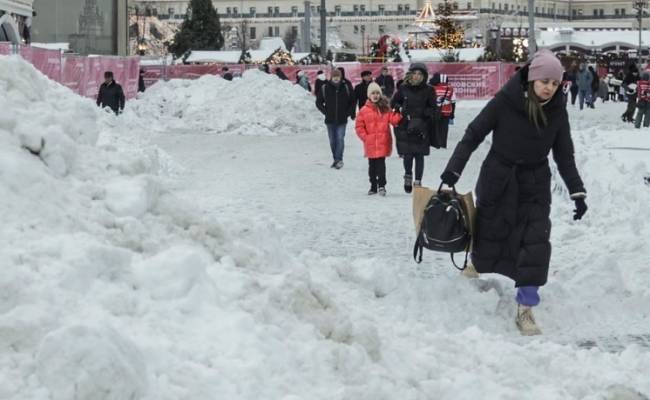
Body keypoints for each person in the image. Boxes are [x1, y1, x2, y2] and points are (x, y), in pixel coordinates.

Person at [440, 49, 587, 336]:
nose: (549, 87)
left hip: (535, 183)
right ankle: (473, 270)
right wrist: (452, 171)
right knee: (489, 233)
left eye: (555, 83)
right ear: (532, 78)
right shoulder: (505, 101)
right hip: (499, 177)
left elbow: (564, 155)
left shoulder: (557, 111)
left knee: (536, 241)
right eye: (544, 80)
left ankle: (526, 307)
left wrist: (577, 192)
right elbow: (473, 134)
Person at [391, 63, 437, 193]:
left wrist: (426, 114)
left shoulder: (429, 90)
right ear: (410, 74)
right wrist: (399, 107)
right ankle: (407, 176)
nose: (417, 76)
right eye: (415, 73)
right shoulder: (403, 88)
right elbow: (394, 102)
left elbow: (434, 108)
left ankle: (418, 180)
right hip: (406, 125)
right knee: (408, 154)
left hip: (422, 126)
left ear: (424, 76)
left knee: (419, 155)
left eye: (420, 74)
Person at [355, 82, 402, 196]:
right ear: (369, 96)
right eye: (373, 93)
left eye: (377, 93)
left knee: (381, 166)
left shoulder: (385, 108)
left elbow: (393, 120)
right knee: (372, 167)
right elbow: (359, 126)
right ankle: (373, 186)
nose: (375, 95)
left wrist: (399, 113)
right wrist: (366, 138)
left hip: (382, 142)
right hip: (370, 144)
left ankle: (382, 185)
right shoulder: (364, 110)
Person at [315, 69, 356, 169]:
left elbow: (353, 101)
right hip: (330, 120)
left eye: (338, 76)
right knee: (333, 140)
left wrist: (348, 113)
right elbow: (318, 102)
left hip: (342, 119)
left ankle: (339, 159)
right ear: (331, 77)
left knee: (340, 138)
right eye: (334, 76)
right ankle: (336, 159)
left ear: (341, 77)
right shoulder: (325, 88)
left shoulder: (346, 87)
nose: (336, 78)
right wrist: (326, 112)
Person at [430, 72, 456, 147]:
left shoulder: (433, 88)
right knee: (444, 128)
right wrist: (452, 114)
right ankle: (443, 144)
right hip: (447, 112)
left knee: (436, 128)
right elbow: (453, 101)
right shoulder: (450, 88)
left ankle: (437, 143)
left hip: (436, 111)